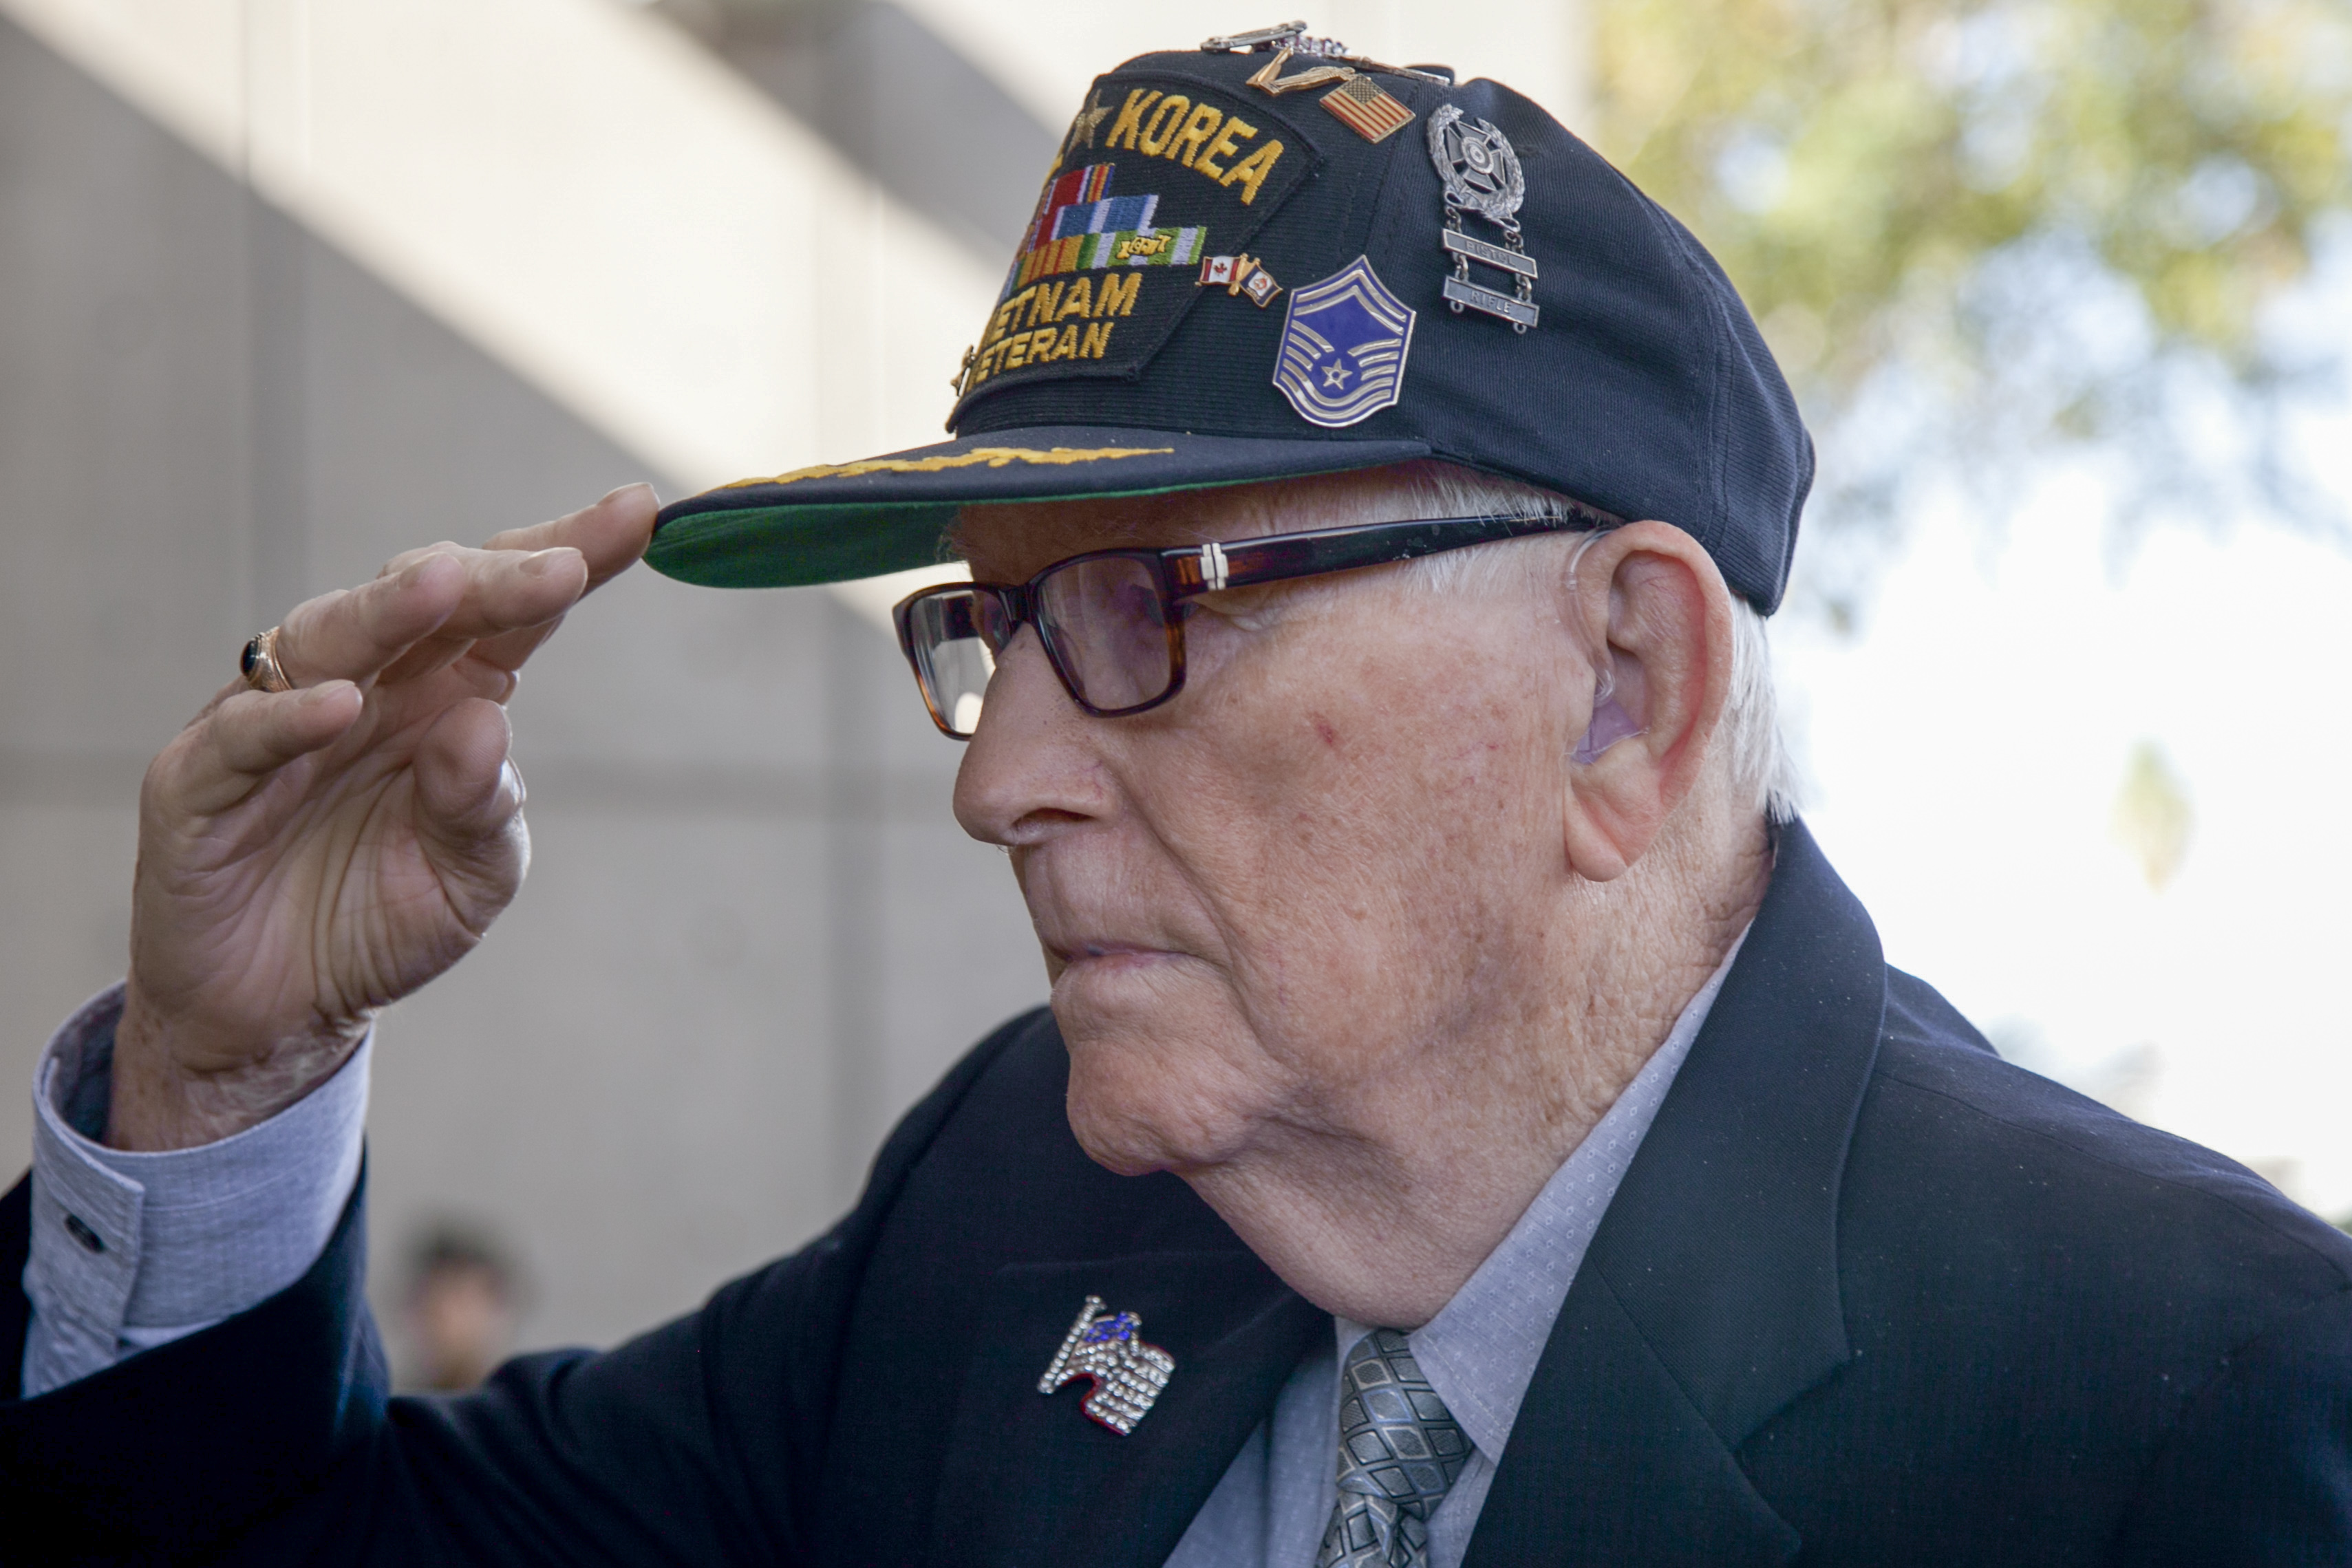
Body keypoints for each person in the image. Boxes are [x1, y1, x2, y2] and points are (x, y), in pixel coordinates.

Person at [5, 25, 2350, 1565]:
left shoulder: (2186, 1414)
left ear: (1621, 686)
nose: (1002, 777)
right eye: (996, 629)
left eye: (1157, 602)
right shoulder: (1008, 1213)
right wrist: (227, 1077)